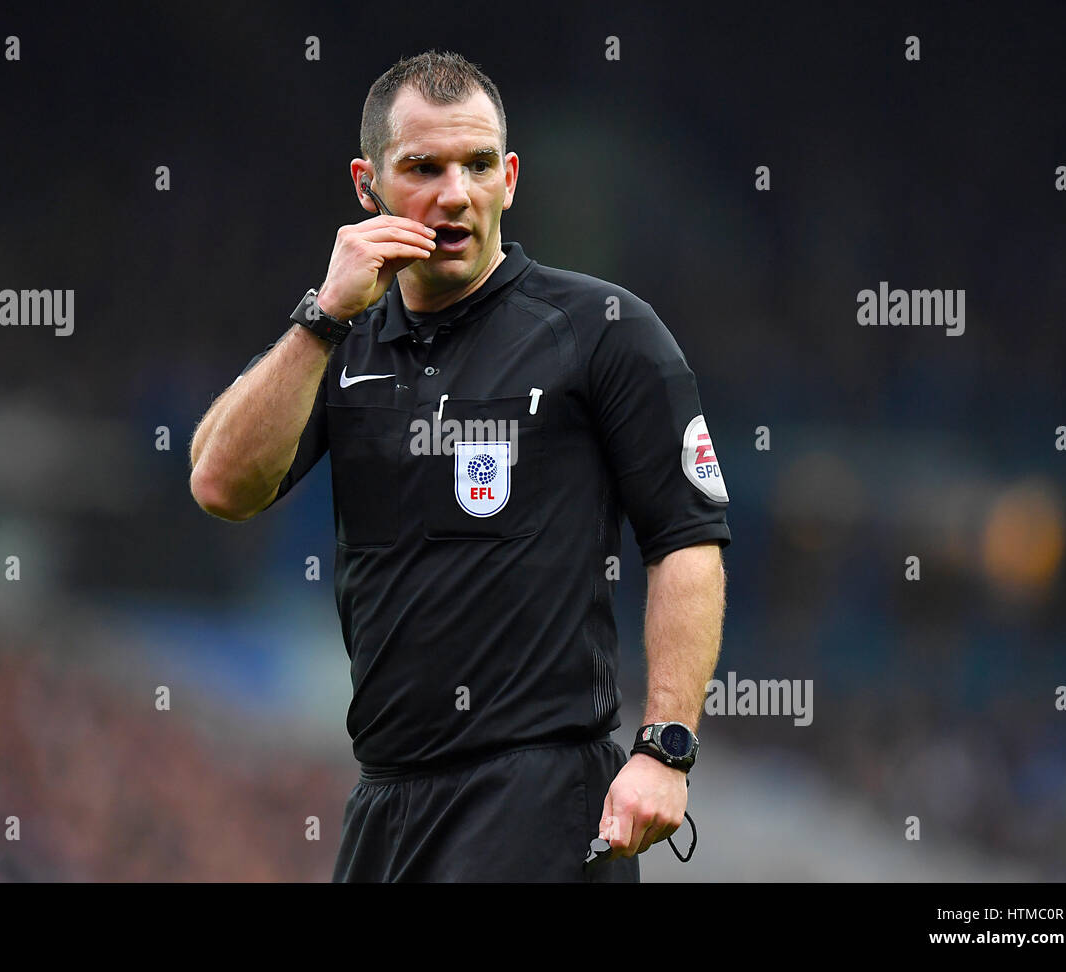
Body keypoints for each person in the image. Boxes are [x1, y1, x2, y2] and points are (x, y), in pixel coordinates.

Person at [189, 50, 729, 882]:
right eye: (424, 168)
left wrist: (666, 746)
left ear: (510, 178)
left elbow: (687, 540)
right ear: (367, 187)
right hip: (386, 799)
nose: (455, 194)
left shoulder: (603, 330)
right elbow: (222, 485)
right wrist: (322, 316)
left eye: (478, 165)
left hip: (539, 792)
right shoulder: (339, 342)